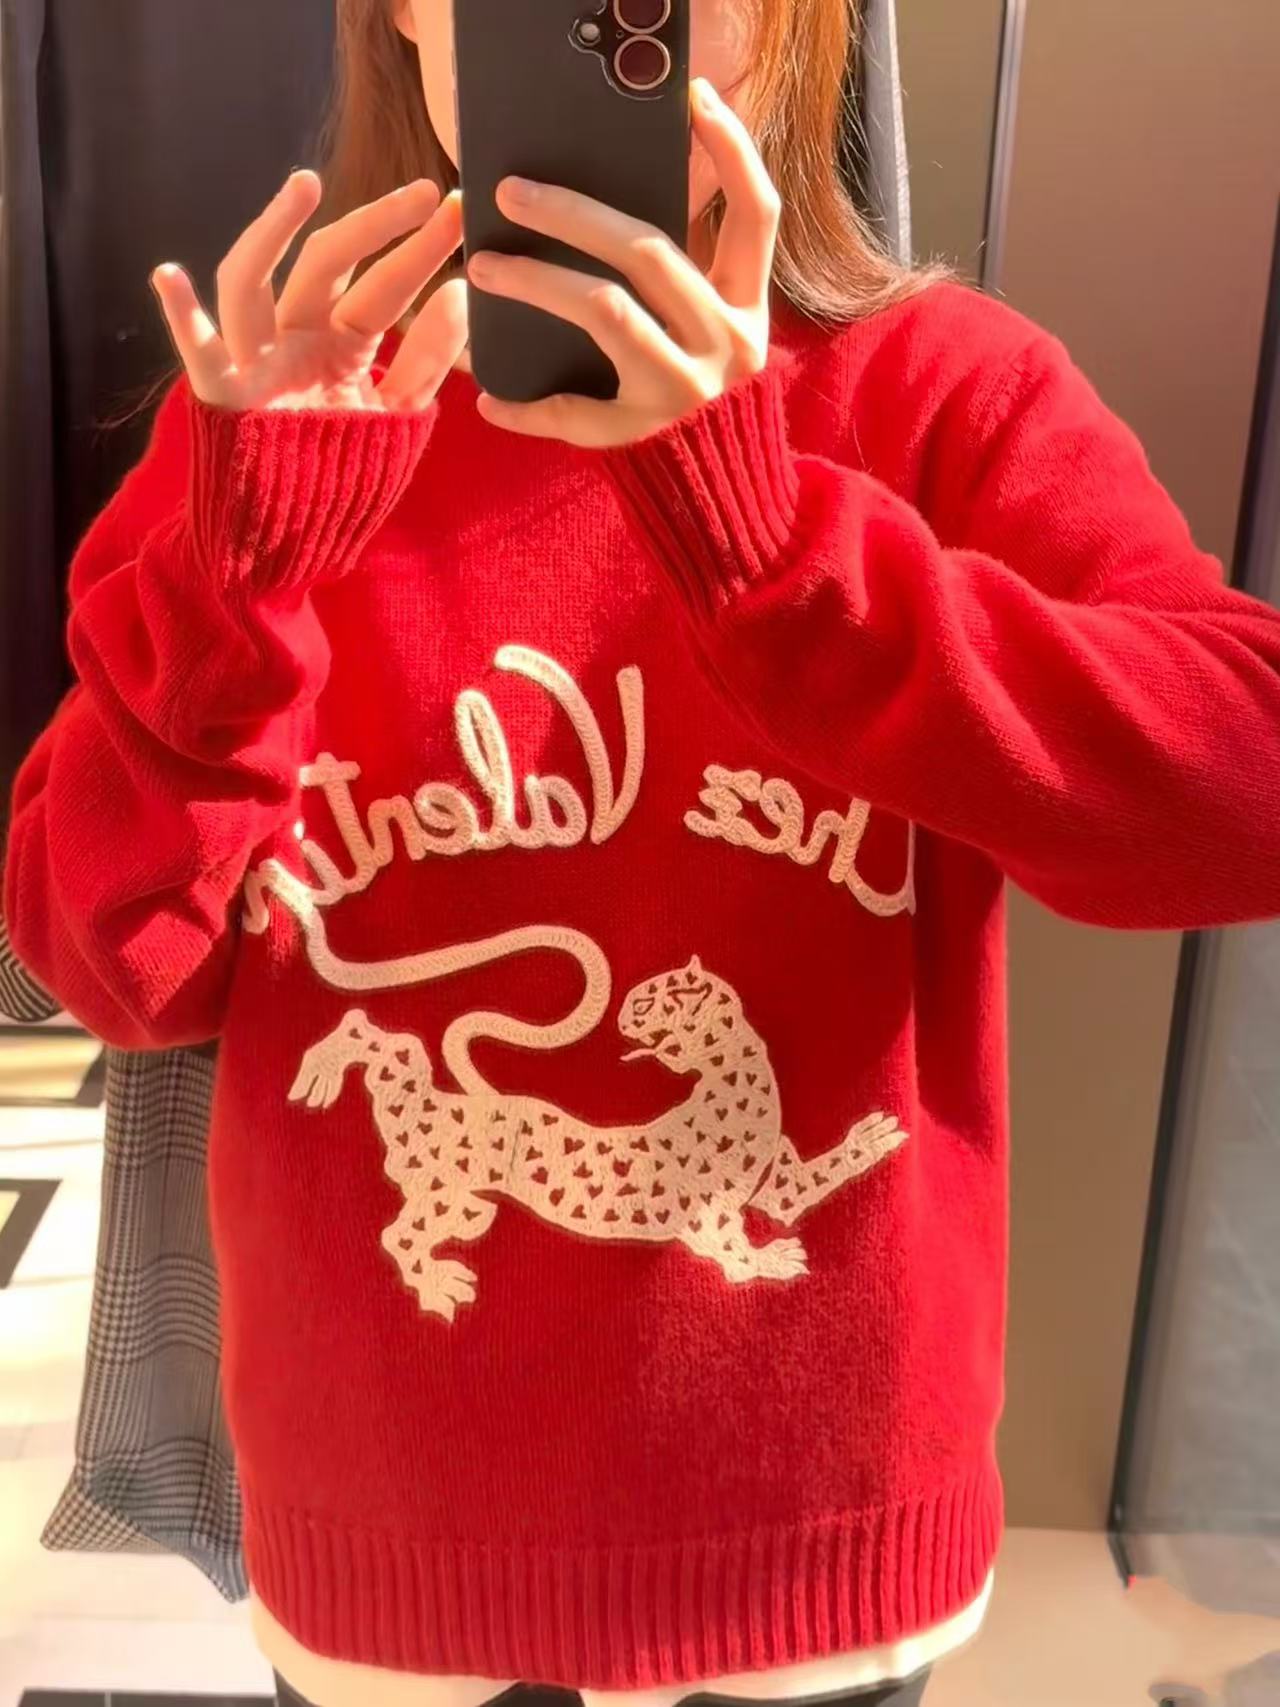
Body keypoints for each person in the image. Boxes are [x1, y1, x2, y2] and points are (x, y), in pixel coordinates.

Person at [6, 0, 1280, 1702]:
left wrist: (771, 544)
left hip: (820, 1536)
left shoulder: (937, 390)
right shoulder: (279, 427)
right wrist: (241, 579)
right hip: (391, 1538)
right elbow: (108, 969)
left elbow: (1244, 791)